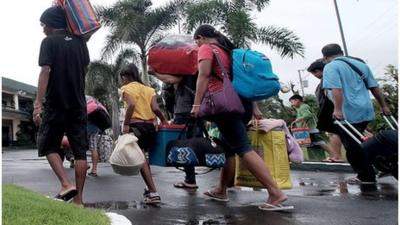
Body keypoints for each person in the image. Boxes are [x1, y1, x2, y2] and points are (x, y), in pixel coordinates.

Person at [190, 24, 292, 211]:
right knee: (228, 148)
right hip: (241, 103)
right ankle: (221, 189)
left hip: (223, 105)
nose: (196, 44)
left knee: (242, 148)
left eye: (196, 41)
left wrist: (196, 104)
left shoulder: (206, 48)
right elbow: (241, 81)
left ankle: (275, 193)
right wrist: (254, 106)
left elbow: (203, 75)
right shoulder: (230, 52)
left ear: (200, 38)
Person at [33, 6, 90, 206]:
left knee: (47, 144)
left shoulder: (48, 42)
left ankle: (66, 184)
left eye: (44, 25)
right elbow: (84, 70)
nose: (43, 29)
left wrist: (38, 104)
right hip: (78, 103)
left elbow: (45, 72)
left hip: (56, 103)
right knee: (80, 152)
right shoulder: (80, 43)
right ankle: (79, 200)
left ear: (52, 24)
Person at [321, 43, 391, 184]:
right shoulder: (360, 64)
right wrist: (384, 106)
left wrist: (338, 110)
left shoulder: (330, 67)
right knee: (363, 141)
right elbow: (374, 87)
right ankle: (384, 164)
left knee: (352, 147)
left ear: (325, 57)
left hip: (348, 112)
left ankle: (365, 176)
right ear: (341, 52)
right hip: (365, 109)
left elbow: (336, 89)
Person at [119, 63, 168, 204]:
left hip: (136, 126)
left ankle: (153, 193)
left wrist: (126, 124)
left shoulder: (126, 88)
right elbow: (155, 108)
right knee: (145, 158)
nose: (123, 81)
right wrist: (164, 120)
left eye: (123, 77)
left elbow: (132, 104)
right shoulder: (149, 89)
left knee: (141, 160)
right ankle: (149, 188)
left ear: (128, 76)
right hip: (150, 126)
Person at [151, 71, 200, 189]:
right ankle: (190, 178)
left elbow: (170, 80)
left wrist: (155, 73)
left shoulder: (185, 72)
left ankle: (190, 179)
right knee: (189, 144)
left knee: (185, 146)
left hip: (184, 112)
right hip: (194, 111)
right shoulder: (195, 73)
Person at [307, 60, 345, 163]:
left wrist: (335, 110)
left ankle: (337, 156)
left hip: (331, 110)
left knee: (333, 133)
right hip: (337, 109)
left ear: (319, 70)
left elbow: (330, 95)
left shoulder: (327, 79)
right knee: (359, 130)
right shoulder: (328, 79)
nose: (314, 75)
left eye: (315, 72)